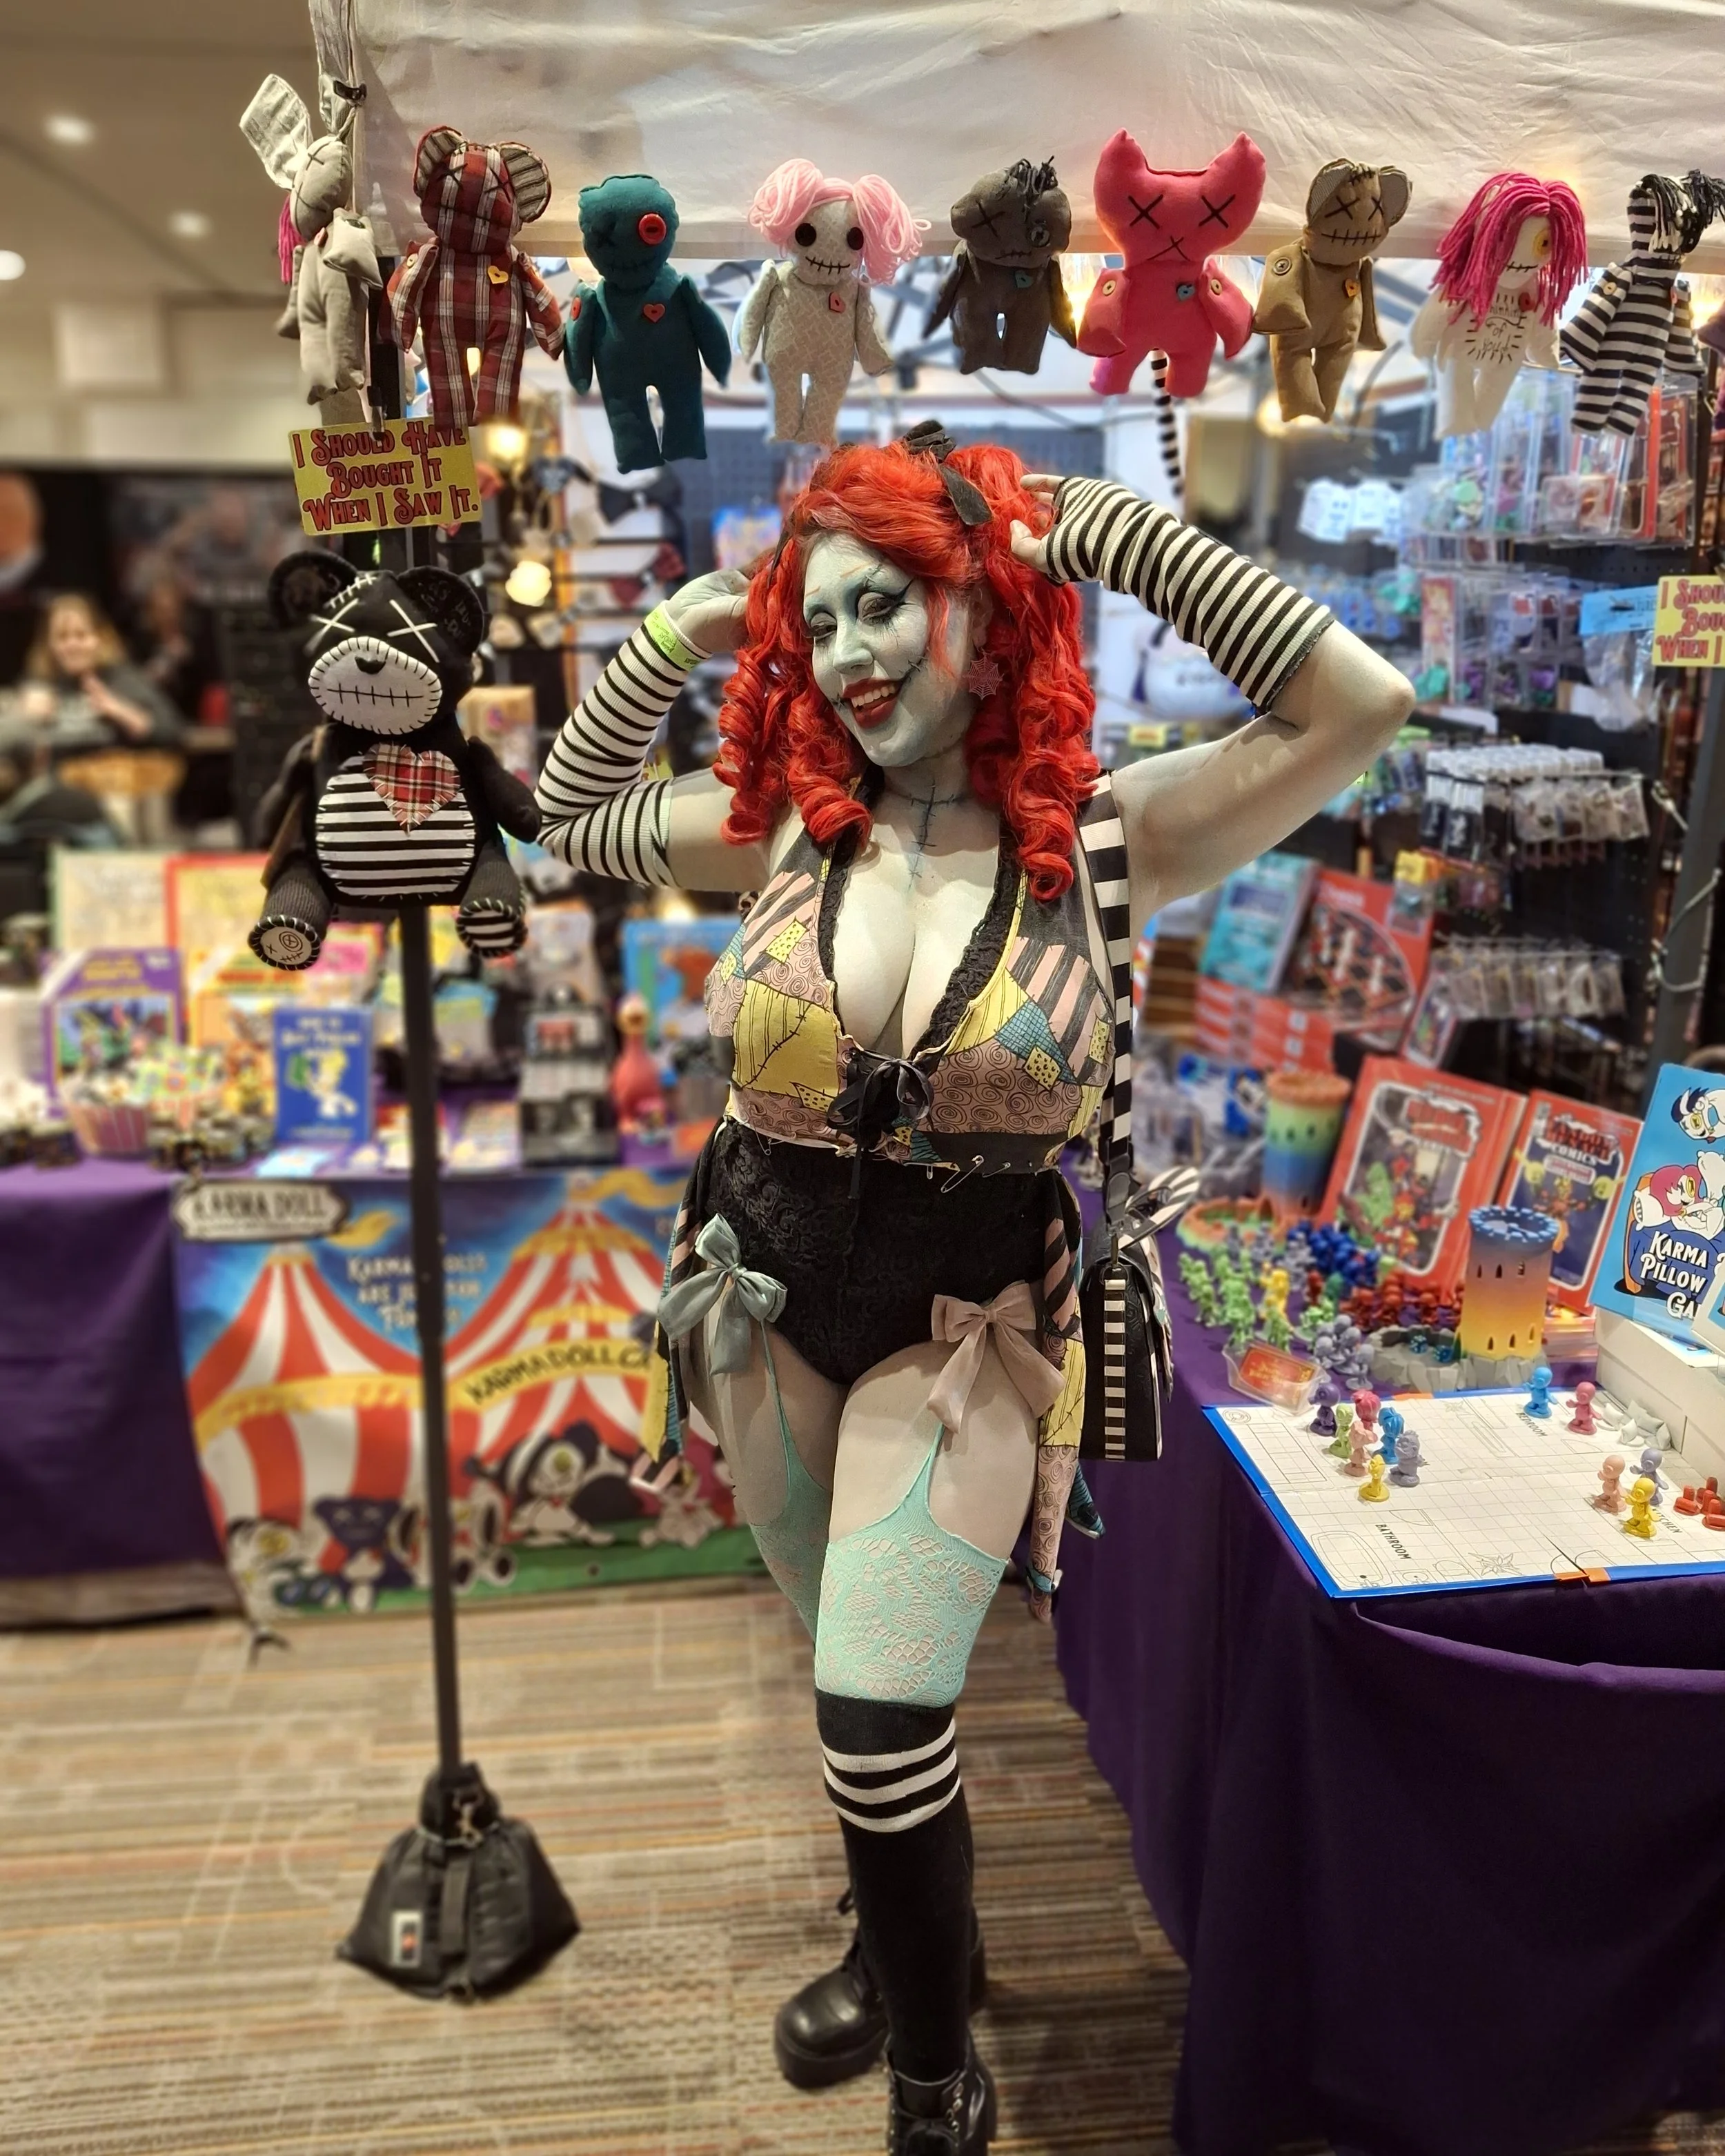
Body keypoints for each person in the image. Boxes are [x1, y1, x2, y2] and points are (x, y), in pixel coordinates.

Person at [534, 433, 1412, 2155]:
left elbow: (1357, 704)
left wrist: (1105, 529)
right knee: (849, 1682)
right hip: (759, 1295)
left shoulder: (1110, 838)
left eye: (894, 604)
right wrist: (684, 632)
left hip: (969, 1335)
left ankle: (936, 2081)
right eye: (827, 615)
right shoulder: (782, 827)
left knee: (881, 1699)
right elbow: (566, 816)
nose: (851, 652)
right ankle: (900, 1926)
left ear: (991, 613)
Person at [14, 592, 184, 755]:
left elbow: (173, 731)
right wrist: (22, 719)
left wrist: (119, 710)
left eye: (81, 636)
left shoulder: (122, 678)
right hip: (56, 778)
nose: (72, 645)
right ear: (49, 644)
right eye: (62, 637)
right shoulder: (41, 682)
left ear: (99, 639)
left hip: (110, 775)